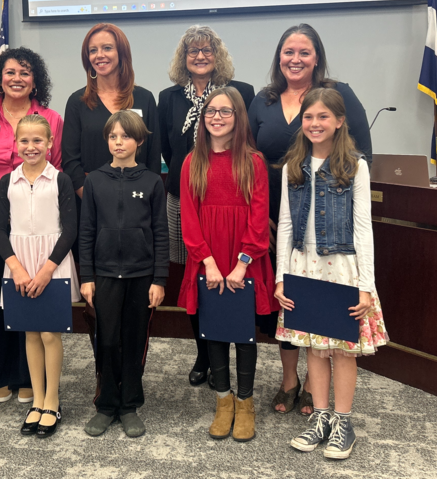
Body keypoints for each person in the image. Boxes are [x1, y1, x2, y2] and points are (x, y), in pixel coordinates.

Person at [247, 23, 372, 416]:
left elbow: (361, 154)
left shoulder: (339, 95)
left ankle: (331, 405)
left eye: (304, 52)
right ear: (278, 57)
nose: (295, 59)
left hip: (332, 230)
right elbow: (246, 156)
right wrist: (257, 216)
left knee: (328, 319)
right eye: (288, 52)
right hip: (273, 215)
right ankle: (291, 382)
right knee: (285, 305)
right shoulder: (263, 99)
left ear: (316, 56)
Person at [274, 88, 388, 459]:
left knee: (341, 352)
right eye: (309, 117)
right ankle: (320, 416)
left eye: (323, 117)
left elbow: (364, 228)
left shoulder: (355, 165)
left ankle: (343, 422)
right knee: (314, 351)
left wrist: (365, 286)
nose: (315, 123)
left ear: (339, 121)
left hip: (341, 269)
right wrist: (281, 277)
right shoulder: (293, 166)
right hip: (303, 268)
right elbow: (286, 225)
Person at [158, 25, 255, 388]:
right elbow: (169, 150)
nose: (200, 56)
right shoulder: (168, 98)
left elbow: (246, 141)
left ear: (218, 55)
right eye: (192, 51)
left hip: (228, 202)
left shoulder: (240, 92)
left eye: (207, 50)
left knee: (231, 271)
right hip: (183, 199)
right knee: (196, 277)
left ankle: (233, 349)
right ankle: (204, 352)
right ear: (183, 59)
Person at [178, 87, 277, 442]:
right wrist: (207, 262)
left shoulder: (253, 162)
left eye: (225, 111)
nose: (216, 117)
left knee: (243, 332)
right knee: (214, 329)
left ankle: (246, 403)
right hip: (207, 260)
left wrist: (242, 263)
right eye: (210, 112)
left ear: (238, 117)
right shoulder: (193, 161)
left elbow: (259, 215)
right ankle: (224, 402)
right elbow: (189, 218)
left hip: (243, 261)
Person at [0, 47, 61, 405]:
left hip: (35, 220)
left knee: (29, 293)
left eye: (25, 72)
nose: (17, 78)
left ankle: (25, 375)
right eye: (10, 72)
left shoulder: (51, 118)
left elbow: (59, 169)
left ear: (35, 79)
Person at [79, 111, 168, 438]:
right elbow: (86, 230)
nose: (119, 142)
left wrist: (159, 279)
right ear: (107, 140)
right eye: (113, 136)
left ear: (139, 141)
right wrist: (86, 276)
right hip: (103, 276)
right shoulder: (94, 180)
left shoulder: (151, 181)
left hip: (141, 277)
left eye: (126, 136)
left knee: (133, 342)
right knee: (107, 340)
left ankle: (129, 404)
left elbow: (160, 231)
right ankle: (106, 405)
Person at [0, 115, 79, 438]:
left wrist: (46, 270)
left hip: (51, 264)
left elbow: (70, 228)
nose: (31, 147)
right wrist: (15, 266)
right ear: (16, 144)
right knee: (29, 333)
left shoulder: (60, 181)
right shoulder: (7, 182)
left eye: (37, 141)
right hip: (19, 266)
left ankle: (53, 400)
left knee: (49, 334)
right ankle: (37, 400)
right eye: (24, 141)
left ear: (50, 143)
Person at [62, 23, 160, 200]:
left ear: (121, 53)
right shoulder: (77, 102)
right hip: (91, 200)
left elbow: (153, 155)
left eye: (107, 48)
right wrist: (91, 197)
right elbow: (70, 159)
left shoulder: (145, 99)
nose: (99, 55)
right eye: (93, 50)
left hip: (137, 201)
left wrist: (143, 195)